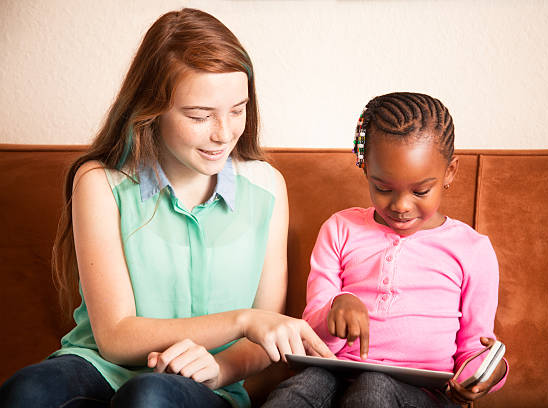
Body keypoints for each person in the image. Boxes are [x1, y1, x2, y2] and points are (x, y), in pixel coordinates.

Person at [0, 8, 332, 408]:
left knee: (149, 396)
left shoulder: (266, 189)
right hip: (99, 366)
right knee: (27, 392)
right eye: (199, 115)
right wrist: (242, 320)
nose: (223, 133)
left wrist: (220, 368)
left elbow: (265, 341)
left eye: (238, 109)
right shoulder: (100, 182)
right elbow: (116, 337)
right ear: (151, 109)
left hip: (205, 384)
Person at [263, 92, 508, 408]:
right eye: (383, 188)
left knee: (373, 387)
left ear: (450, 172)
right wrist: (335, 307)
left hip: (425, 394)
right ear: (366, 170)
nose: (402, 206)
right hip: (335, 372)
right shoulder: (340, 229)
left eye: (421, 190)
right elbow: (312, 331)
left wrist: (490, 371)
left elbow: (476, 348)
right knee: (300, 388)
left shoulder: (473, 250)